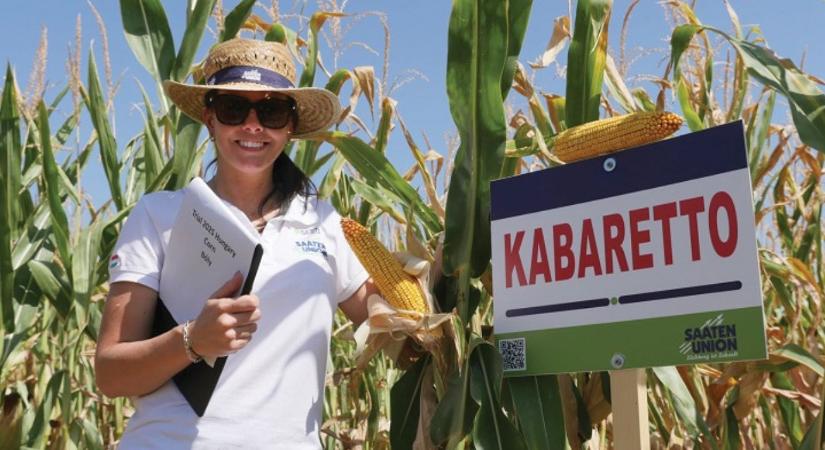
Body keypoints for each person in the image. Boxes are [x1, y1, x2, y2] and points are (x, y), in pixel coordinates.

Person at [94, 37, 376, 449]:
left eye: (271, 110)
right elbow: (111, 374)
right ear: (209, 119)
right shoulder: (159, 216)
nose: (252, 124)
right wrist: (192, 341)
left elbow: (396, 331)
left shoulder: (324, 222)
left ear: (290, 126)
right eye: (233, 109)